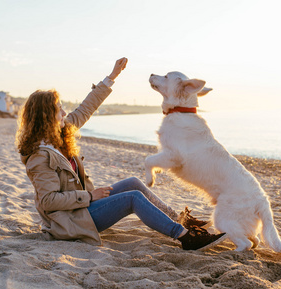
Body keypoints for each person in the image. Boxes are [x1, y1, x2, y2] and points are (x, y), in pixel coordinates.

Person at [15, 57, 226, 251]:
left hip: (82, 208)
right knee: (132, 198)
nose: (64, 113)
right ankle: (185, 237)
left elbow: (86, 108)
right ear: (46, 118)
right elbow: (49, 201)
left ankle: (180, 220)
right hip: (70, 222)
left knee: (133, 183)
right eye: (59, 109)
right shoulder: (39, 158)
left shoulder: (61, 132)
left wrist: (112, 76)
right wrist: (90, 195)